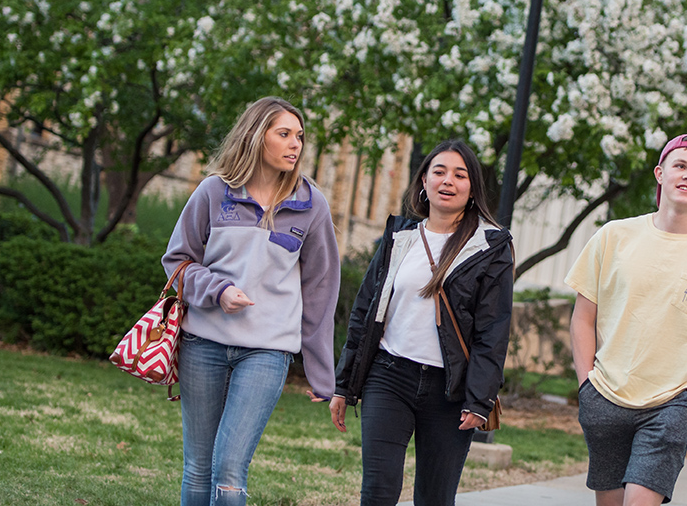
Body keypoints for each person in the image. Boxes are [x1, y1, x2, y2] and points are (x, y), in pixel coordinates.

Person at [163, 97, 341, 506]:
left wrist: (320, 370)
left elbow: (320, 289)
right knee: (197, 466)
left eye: (299, 136)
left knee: (228, 468)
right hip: (202, 344)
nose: (295, 144)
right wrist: (219, 290)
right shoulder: (213, 191)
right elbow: (177, 262)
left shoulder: (311, 205)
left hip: (266, 351)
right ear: (256, 136)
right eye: (284, 134)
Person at [565, 133, 687, 506]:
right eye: (680, 166)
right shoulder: (613, 236)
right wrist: (586, 385)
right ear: (660, 173)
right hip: (604, 396)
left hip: (671, 403)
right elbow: (583, 319)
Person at [331, 139, 515, 506]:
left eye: (460, 175)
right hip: (388, 376)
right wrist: (344, 384)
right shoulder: (400, 237)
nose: (449, 181)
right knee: (378, 492)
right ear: (424, 182)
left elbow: (492, 331)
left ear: (472, 188)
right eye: (440, 172)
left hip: (451, 390)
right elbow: (365, 310)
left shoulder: (490, 247)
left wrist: (479, 400)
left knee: (434, 497)